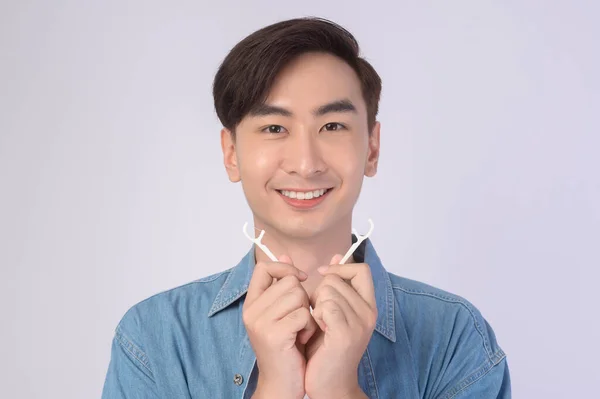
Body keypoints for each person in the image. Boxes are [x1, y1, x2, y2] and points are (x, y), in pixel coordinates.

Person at [101, 17, 511, 399]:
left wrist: (338, 388)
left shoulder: (454, 335)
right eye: (274, 128)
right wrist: (276, 386)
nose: (305, 162)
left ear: (371, 148)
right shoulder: (153, 338)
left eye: (332, 126)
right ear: (231, 154)